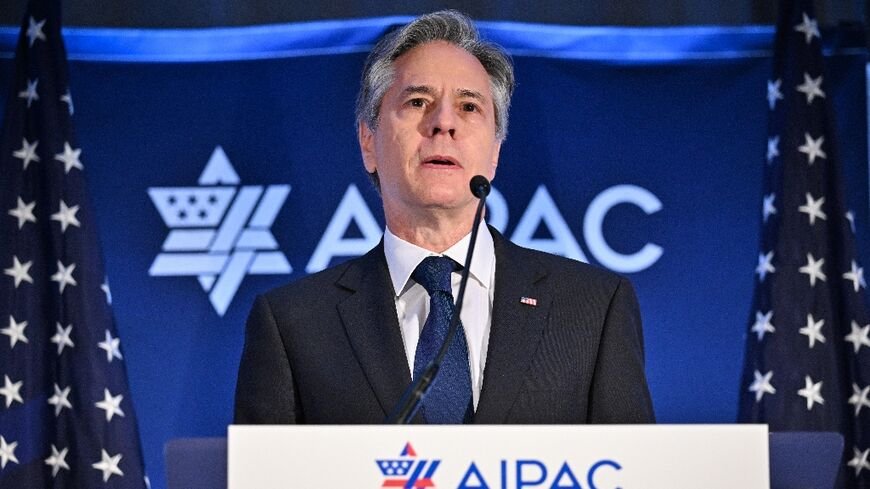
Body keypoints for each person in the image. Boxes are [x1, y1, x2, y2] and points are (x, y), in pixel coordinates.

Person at [234, 10, 654, 424]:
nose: (443, 123)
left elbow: (631, 462)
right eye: (418, 102)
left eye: (469, 107)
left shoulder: (594, 308)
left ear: (495, 152)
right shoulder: (294, 324)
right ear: (368, 142)